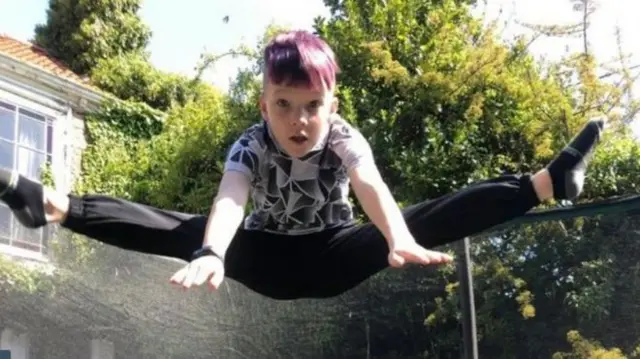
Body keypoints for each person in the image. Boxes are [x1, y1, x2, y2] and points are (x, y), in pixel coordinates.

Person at [0, 30, 604, 300]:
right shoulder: (250, 143)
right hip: (265, 258)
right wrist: (212, 252)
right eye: (284, 106)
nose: (299, 121)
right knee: (186, 230)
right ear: (265, 104)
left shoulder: (343, 135)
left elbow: (370, 182)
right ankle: (52, 204)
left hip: (335, 253)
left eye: (312, 106)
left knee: (422, 221)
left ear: (331, 104)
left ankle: (547, 182)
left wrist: (396, 239)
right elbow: (232, 197)